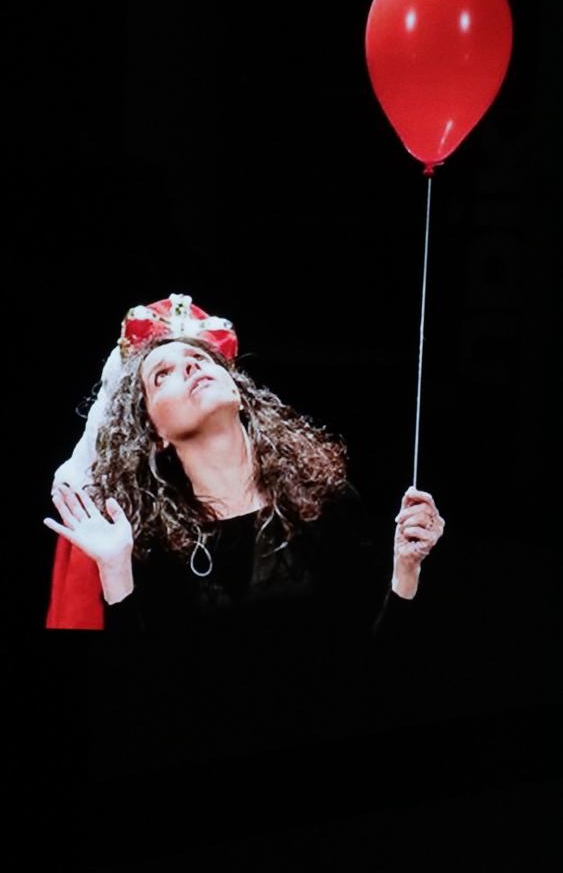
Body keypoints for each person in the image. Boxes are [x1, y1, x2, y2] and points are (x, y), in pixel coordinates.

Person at [43, 292, 445, 763]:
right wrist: (116, 572)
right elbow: (143, 704)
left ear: (237, 390)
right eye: (162, 374)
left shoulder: (326, 501)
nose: (191, 367)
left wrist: (406, 570)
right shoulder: (145, 543)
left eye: (199, 358)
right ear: (154, 433)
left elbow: (379, 668)